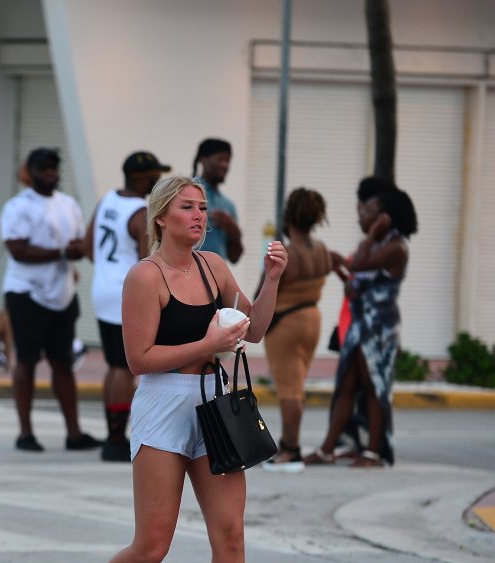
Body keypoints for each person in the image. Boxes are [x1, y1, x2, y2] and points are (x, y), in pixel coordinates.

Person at [109, 176, 286, 562]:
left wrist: (271, 280)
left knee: (231, 538)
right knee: (152, 546)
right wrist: (208, 346)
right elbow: (138, 359)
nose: (198, 216)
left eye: (202, 208)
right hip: (163, 404)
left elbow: (253, 330)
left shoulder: (213, 266)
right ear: (160, 217)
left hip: (216, 403)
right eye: (187, 207)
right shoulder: (145, 276)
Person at [304, 186, 417, 468]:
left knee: (373, 386)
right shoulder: (377, 245)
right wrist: (339, 269)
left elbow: (361, 266)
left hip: (378, 327)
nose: (361, 214)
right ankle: (329, 448)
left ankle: (374, 452)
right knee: (347, 385)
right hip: (359, 324)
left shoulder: (395, 247)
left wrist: (368, 238)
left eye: (368, 211)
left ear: (385, 218)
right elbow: (356, 285)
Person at [0, 147, 100, 452]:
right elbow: (17, 250)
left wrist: (78, 250)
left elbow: (80, 243)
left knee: (63, 363)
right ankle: (25, 433)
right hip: (26, 292)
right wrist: (60, 253)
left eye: (54, 168)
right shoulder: (17, 206)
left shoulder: (68, 204)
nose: (50, 174)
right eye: (44, 168)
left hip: (62, 293)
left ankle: (74, 433)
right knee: (27, 361)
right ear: (30, 172)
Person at [83, 151, 170, 462]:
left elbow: (87, 242)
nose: (157, 180)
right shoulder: (139, 212)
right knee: (123, 367)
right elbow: (149, 259)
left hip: (102, 288)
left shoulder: (108, 200)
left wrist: (108, 271)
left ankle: (113, 434)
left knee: (114, 365)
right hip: (124, 291)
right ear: (139, 178)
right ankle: (116, 439)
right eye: (154, 175)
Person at [260, 187, 341, 472]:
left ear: (288, 215)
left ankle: (290, 449)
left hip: (286, 324)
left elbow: (263, 291)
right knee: (297, 386)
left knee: (288, 389)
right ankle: (288, 445)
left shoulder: (285, 253)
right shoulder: (320, 250)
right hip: (312, 318)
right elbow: (338, 263)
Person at [192, 138, 243, 263]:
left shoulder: (228, 205)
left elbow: (234, 258)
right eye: (220, 159)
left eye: (227, 160)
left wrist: (234, 231)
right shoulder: (186, 194)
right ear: (203, 159)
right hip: (186, 275)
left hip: (216, 278)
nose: (225, 165)